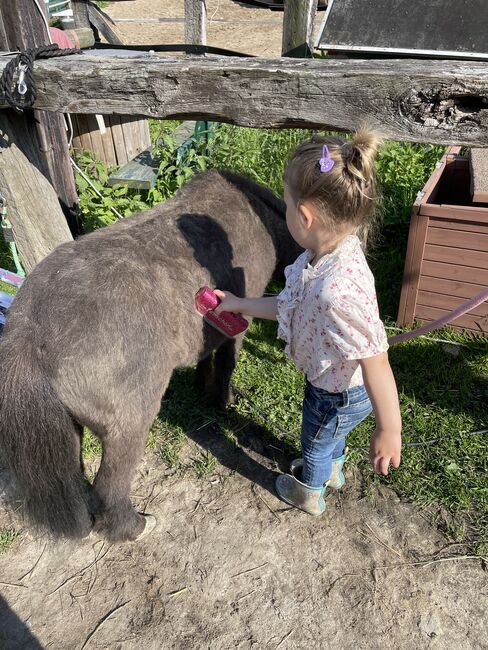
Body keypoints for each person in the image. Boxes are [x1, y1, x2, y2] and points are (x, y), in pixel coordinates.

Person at [214, 129, 402, 516]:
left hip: (336, 393)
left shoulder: (337, 290)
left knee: (314, 442)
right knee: (330, 436)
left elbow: (376, 360)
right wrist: (238, 303)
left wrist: (389, 429)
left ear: (304, 215)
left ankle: (310, 492)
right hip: (339, 387)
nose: (285, 213)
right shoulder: (328, 253)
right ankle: (333, 470)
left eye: (285, 204)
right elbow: (289, 306)